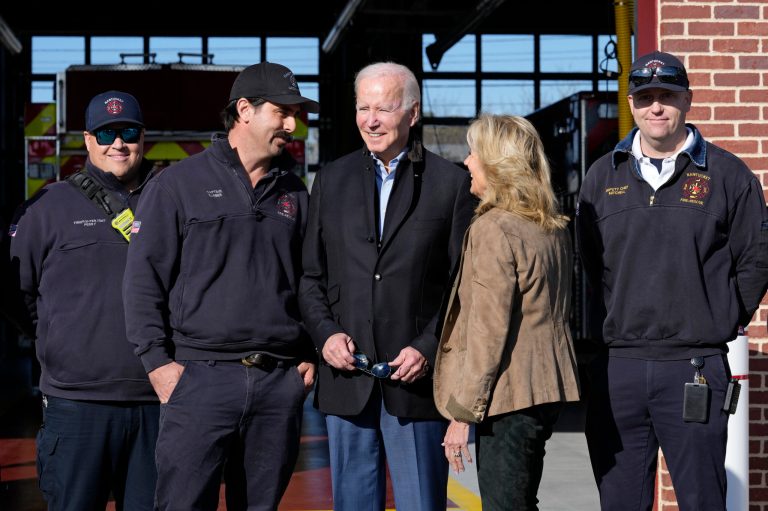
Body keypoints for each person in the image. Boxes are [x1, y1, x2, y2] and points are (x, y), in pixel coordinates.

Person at [576, 51, 768, 511]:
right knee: (620, 501)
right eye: (645, 98)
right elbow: (589, 264)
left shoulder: (727, 175)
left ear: (688, 100)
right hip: (617, 368)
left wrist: (718, 317)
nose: (656, 107)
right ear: (631, 103)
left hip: (694, 367)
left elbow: (756, 261)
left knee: (702, 499)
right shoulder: (603, 176)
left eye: (667, 96)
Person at [122, 62, 318, 511]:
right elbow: (142, 280)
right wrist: (158, 365)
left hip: (276, 383)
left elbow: (310, 279)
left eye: (295, 113)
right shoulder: (177, 185)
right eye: (282, 112)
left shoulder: (295, 192)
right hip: (199, 380)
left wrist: (308, 354)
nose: (292, 124)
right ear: (244, 110)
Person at [299, 61, 475, 511]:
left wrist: (429, 347)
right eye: (363, 108)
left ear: (412, 114)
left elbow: (463, 286)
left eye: (384, 108)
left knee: (421, 503)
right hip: (347, 377)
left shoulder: (451, 184)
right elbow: (311, 276)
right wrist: (324, 335)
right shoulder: (331, 180)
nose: (371, 119)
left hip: (414, 382)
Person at [8, 90, 159, 510]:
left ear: (143, 136)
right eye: (106, 133)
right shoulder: (48, 208)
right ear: (88, 140)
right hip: (77, 408)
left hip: (158, 403)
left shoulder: (170, 200)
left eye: (128, 131)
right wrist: (62, 340)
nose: (119, 143)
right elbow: (17, 295)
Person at [434, 114, 581, 510]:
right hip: (544, 390)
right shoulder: (549, 226)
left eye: (474, 152)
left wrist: (463, 413)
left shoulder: (494, 228)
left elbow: (487, 330)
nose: (466, 161)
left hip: (507, 396)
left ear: (497, 163)